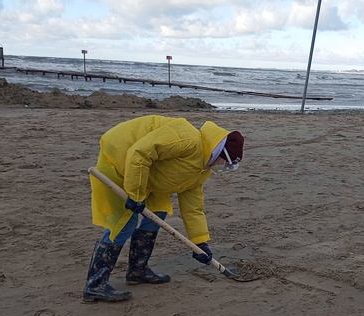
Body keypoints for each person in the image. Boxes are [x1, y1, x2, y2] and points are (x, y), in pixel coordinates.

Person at [83, 115, 244, 302]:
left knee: (157, 213)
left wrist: (200, 242)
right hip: (120, 158)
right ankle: (95, 285)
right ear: (219, 154)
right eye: (226, 164)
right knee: (125, 221)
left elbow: (193, 208)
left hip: (149, 175)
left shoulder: (201, 169)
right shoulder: (187, 139)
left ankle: (137, 271)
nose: (223, 168)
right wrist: (135, 196)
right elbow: (139, 153)